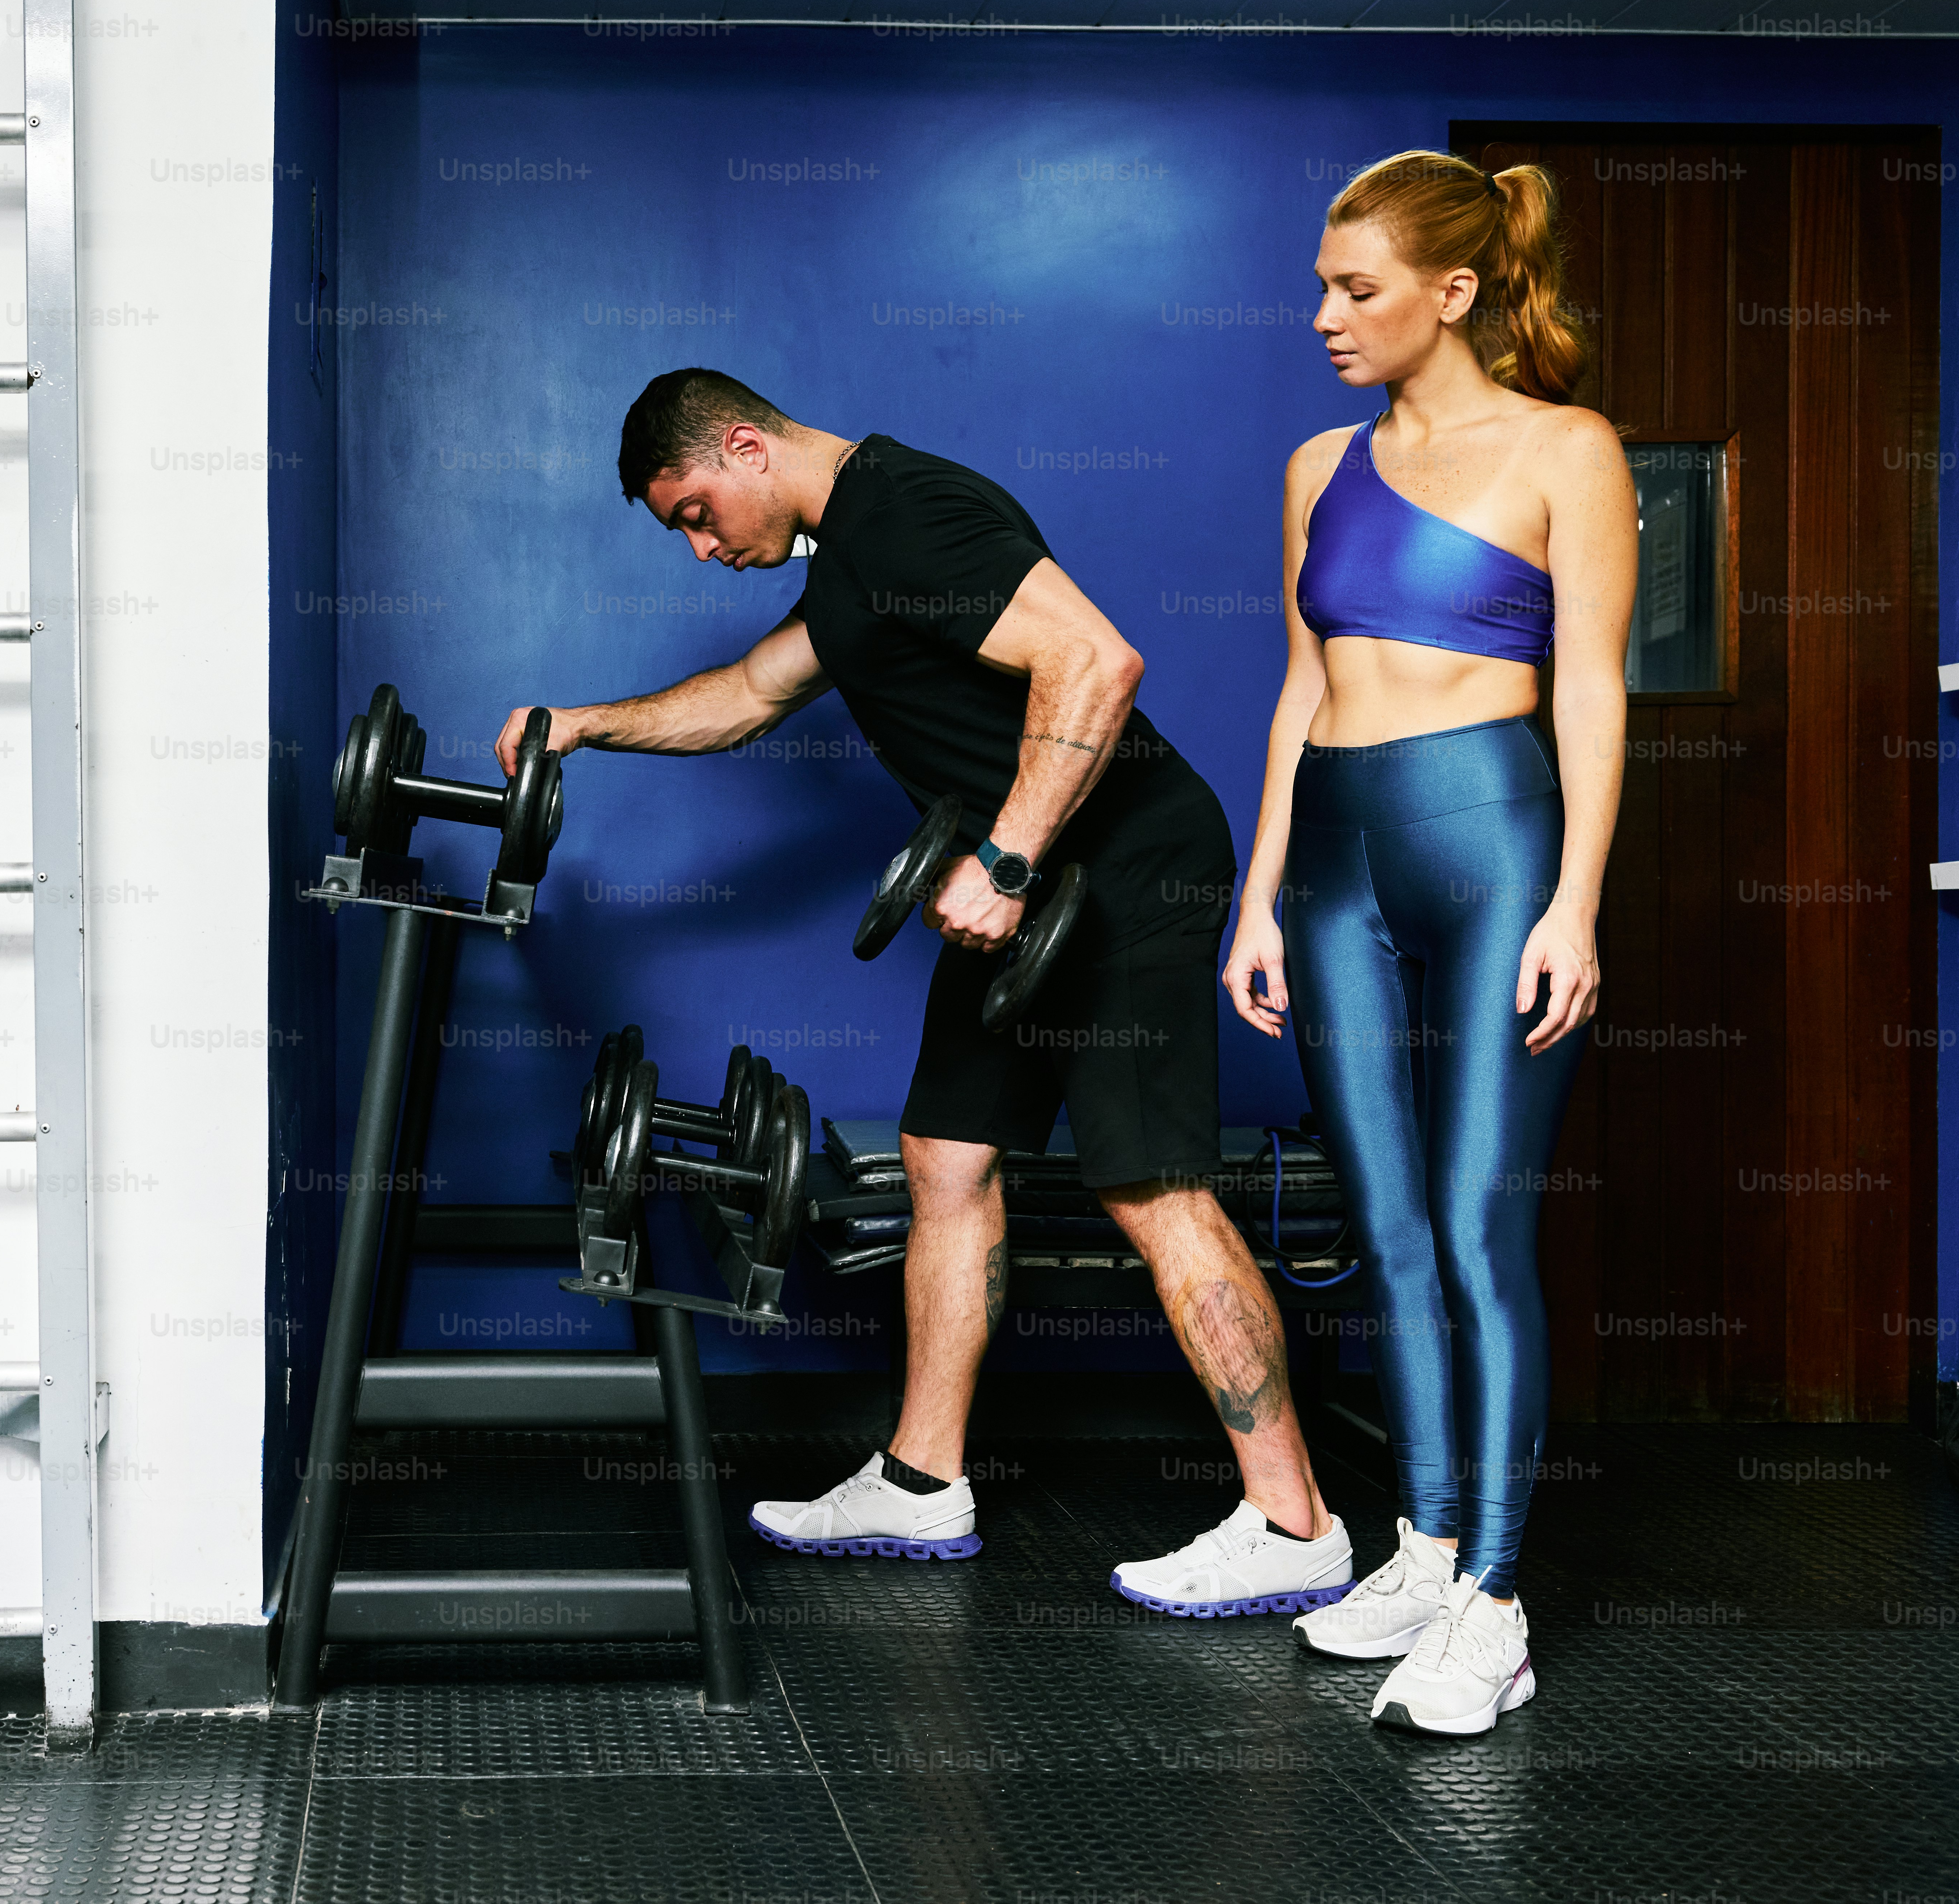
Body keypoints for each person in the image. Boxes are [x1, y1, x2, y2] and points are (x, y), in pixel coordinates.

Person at [498, 368, 1355, 1618]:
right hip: (1019, 873)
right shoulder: (847, 560)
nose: (698, 544)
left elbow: (1095, 660)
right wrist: (578, 723)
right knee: (945, 1155)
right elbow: (745, 696)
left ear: (744, 447)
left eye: (693, 510)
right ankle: (919, 1479)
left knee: (1151, 1186)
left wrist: (1006, 857)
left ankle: (1294, 1523)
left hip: (1115, 864)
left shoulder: (905, 511)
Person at [1224, 152, 1632, 1735]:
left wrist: (1578, 898)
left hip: (1492, 841)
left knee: (1475, 1228)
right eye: (1325, 285)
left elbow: (1595, 689)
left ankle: (1498, 1602)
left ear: (1452, 293)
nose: (1325, 316)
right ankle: (1427, 1542)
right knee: (1383, 1226)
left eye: (1359, 289)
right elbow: (1303, 682)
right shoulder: (1319, 465)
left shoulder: (1566, 448)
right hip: (1334, 850)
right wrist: (1261, 890)